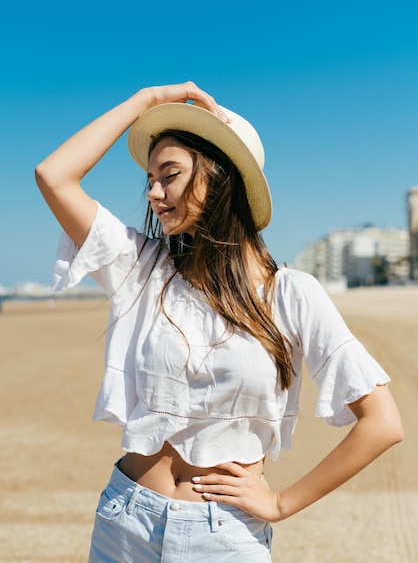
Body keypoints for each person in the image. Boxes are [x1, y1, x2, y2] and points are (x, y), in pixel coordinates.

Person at [35, 81, 403, 563]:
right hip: (125, 522)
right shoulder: (143, 268)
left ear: (221, 177)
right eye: (149, 178)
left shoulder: (290, 295)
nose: (152, 192)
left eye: (169, 174)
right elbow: (54, 175)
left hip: (223, 536)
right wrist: (148, 101)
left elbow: (382, 423)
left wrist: (281, 503)